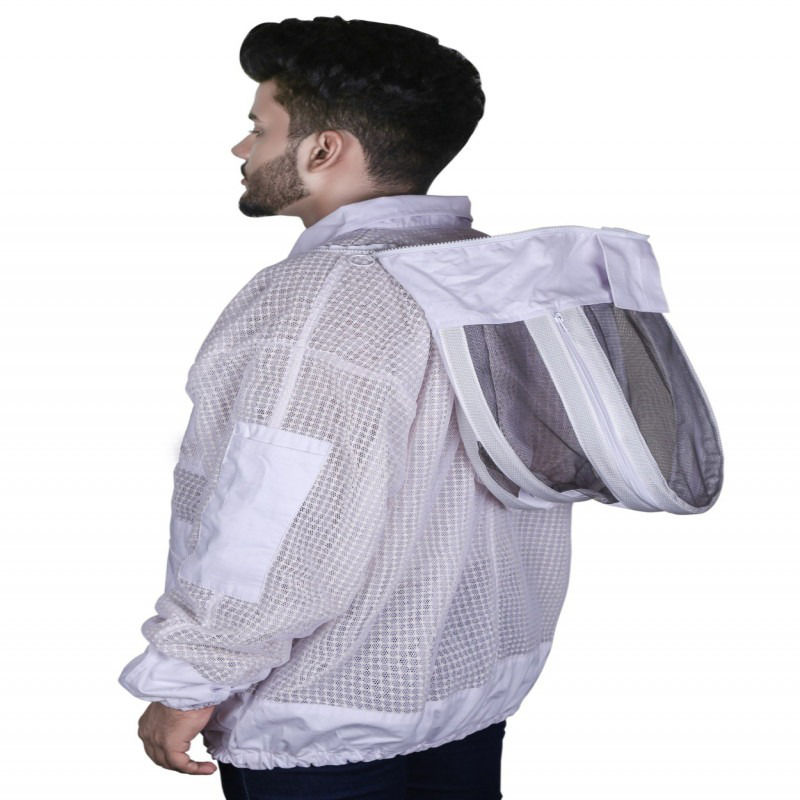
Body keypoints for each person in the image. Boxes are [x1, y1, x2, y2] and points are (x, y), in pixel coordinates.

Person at [118, 16, 572, 800]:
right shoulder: (490, 278)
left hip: (322, 724)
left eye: (260, 127)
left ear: (324, 150)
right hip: (465, 692)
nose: (241, 147)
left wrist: (191, 678)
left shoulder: (322, 297)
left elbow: (276, 517)